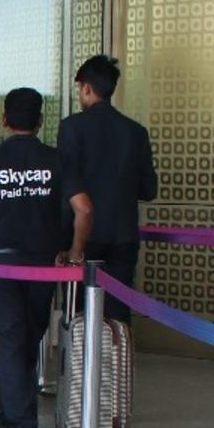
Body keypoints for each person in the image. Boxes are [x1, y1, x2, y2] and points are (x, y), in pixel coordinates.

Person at [0, 85, 93, 428]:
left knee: (11, 347)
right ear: (41, 121)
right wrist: (75, 253)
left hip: (0, 265)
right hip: (42, 268)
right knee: (20, 346)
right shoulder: (58, 160)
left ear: (3, 120)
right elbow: (83, 209)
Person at [56, 54, 157, 322]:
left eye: (80, 89)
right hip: (123, 237)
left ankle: (80, 365)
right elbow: (149, 189)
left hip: (82, 238)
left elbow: (68, 188)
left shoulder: (71, 128)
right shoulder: (136, 132)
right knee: (117, 317)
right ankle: (116, 363)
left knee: (78, 316)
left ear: (86, 87)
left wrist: (65, 243)